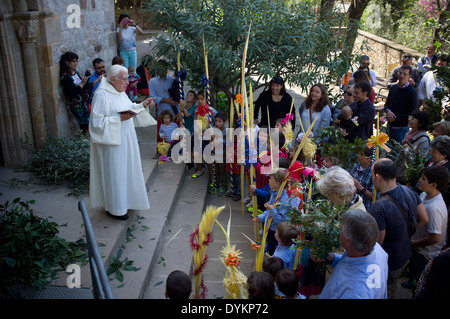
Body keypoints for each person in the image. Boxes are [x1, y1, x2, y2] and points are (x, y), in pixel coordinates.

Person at [89, 64, 155, 220]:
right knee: (115, 174)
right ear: (113, 79)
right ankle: (115, 209)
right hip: (112, 146)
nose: (128, 82)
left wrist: (141, 105)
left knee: (127, 172)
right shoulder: (101, 95)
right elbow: (95, 124)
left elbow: (129, 107)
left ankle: (127, 201)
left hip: (127, 141)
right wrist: (118, 119)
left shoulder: (120, 93)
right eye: (124, 79)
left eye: (127, 79)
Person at [369, 158, 429, 298]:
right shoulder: (409, 190)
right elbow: (424, 218)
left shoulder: (379, 207)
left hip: (389, 262)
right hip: (404, 254)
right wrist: (403, 231)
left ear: (377, 177)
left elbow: (378, 243)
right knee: (393, 287)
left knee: (385, 292)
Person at [318, 209, 389, 299]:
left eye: (341, 229)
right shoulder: (375, 248)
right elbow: (353, 263)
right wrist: (332, 258)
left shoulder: (355, 294)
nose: (339, 232)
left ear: (348, 240)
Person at [402, 166, 449, 290]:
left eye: (423, 179)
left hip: (425, 254)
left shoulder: (435, 208)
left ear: (433, 185)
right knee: (414, 275)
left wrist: (413, 243)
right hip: (417, 249)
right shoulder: (424, 194)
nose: (420, 181)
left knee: (420, 282)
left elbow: (435, 238)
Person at [252, 168, 293, 255]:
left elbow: (282, 220)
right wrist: (261, 217)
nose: (269, 181)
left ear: (277, 184)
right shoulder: (275, 193)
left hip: (277, 232)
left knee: (274, 251)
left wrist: (272, 209)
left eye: (270, 179)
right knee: (270, 246)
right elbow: (268, 212)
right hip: (270, 228)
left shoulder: (284, 200)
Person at [60, 51, 97, 134]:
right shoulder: (65, 77)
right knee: (84, 125)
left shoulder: (75, 73)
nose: (76, 63)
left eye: (76, 61)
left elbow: (82, 86)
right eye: (73, 61)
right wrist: (82, 83)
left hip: (84, 102)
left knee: (88, 122)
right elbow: (72, 93)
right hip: (77, 105)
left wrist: (86, 79)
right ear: (67, 62)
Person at [384, 65, 419, 143]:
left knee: (396, 153)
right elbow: (387, 104)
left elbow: (413, 113)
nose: (401, 76)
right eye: (400, 73)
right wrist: (388, 111)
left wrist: (394, 117)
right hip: (389, 126)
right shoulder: (393, 88)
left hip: (401, 129)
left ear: (409, 76)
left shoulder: (412, 92)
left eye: (404, 74)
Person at [348, 146, 375, 211]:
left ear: (370, 159)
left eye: (362, 154)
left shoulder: (372, 173)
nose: (358, 156)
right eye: (359, 153)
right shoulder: (355, 166)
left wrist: (360, 187)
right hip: (351, 204)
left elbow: (374, 196)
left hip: (363, 207)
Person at [427, 135, 450, 207]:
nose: (430, 153)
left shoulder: (446, 171)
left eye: (434, 151)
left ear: (444, 155)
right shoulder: (430, 162)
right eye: (431, 150)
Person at [210, 112, 228, 196]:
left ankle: (224, 187)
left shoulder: (225, 132)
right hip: (215, 155)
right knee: (215, 171)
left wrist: (215, 139)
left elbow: (224, 144)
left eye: (219, 121)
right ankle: (216, 186)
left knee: (222, 172)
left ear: (225, 122)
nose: (217, 123)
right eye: (216, 121)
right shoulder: (213, 129)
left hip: (223, 156)